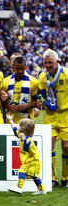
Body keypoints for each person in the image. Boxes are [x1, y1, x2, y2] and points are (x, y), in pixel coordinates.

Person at [37, 49, 68, 188]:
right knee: (48, 145)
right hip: (50, 115)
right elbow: (40, 94)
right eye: (45, 63)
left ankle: (65, 178)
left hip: (65, 114)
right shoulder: (43, 77)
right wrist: (43, 102)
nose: (47, 65)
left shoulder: (66, 74)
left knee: (66, 147)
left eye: (50, 62)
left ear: (57, 62)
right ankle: (53, 178)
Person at [6, 113, 46, 195]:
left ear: (24, 129)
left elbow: (29, 149)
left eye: (20, 126)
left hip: (33, 161)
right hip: (29, 161)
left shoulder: (29, 140)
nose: (18, 127)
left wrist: (24, 140)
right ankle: (41, 189)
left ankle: (19, 187)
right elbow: (14, 129)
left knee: (22, 170)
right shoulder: (21, 136)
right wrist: (10, 120)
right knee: (34, 176)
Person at [1, 56, 40, 124]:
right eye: (17, 68)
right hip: (10, 121)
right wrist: (8, 106)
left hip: (27, 121)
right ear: (13, 68)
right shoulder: (5, 81)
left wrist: (27, 106)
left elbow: (36, 101)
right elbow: (2, 101)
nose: (20, 71)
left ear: (26, 67)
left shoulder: (34, 82)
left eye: (22, 68)